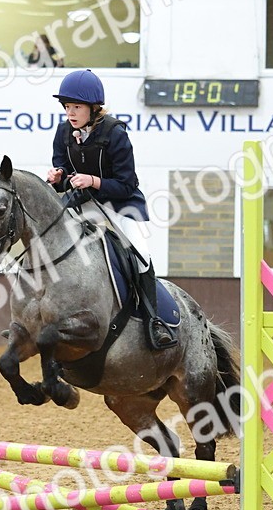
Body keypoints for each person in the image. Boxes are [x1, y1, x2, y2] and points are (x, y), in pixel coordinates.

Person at [44, 69, 176, 350]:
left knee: (140, 255)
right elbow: (64, 169)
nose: (70, 112)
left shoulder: (115, 134)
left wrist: (93, 180)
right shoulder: (63, 131)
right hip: (83, 203)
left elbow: (126, 184)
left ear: (93, 108)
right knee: (51, 242)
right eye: (67, 107)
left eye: (76, 107)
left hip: (120, 205)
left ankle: (155, 322)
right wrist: (58, 177)